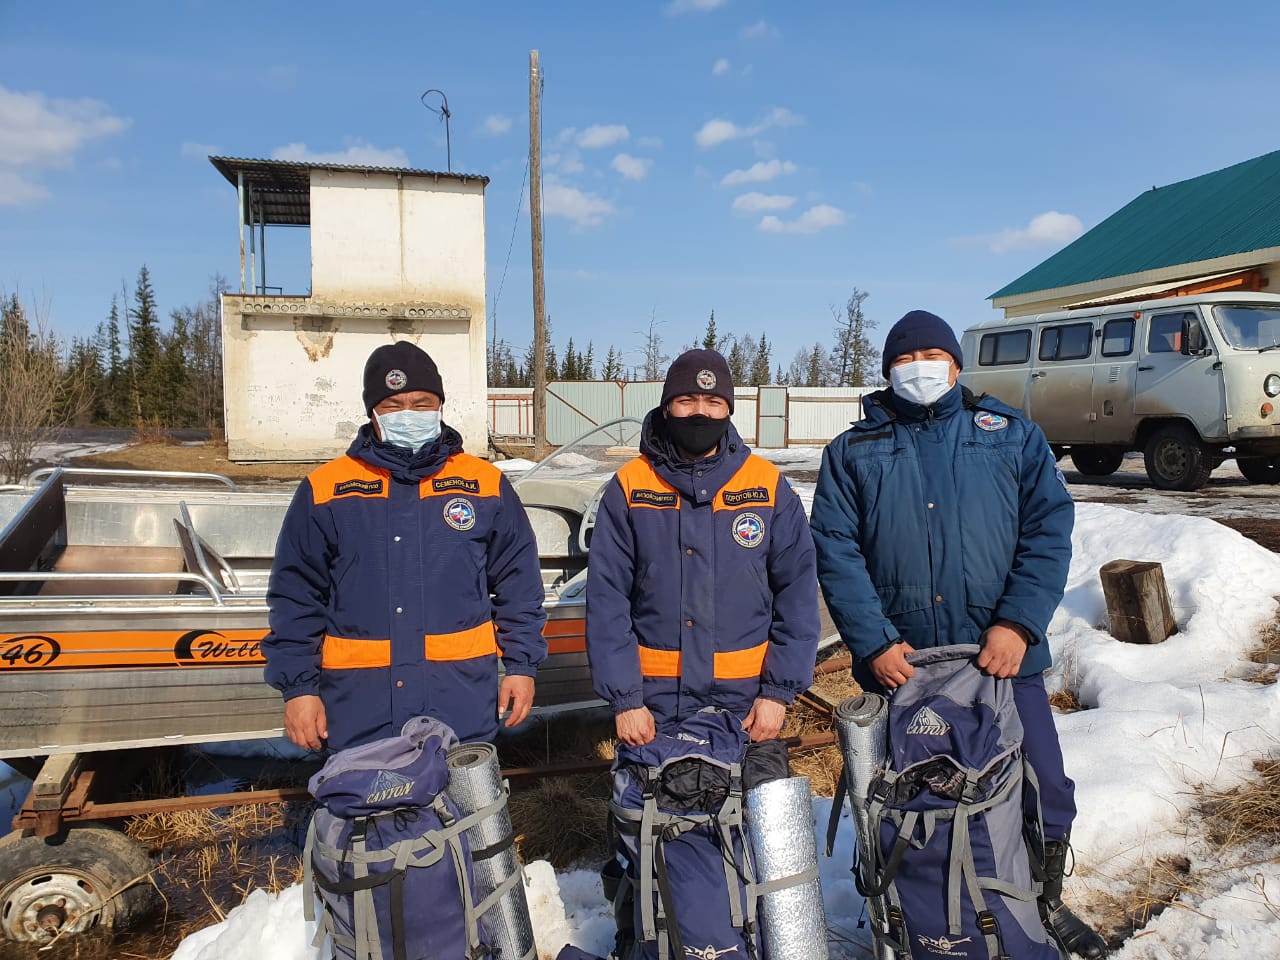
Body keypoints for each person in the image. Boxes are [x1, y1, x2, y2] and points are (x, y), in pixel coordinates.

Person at [809, 310, 1108, 959]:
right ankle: (919, 916)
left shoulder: (1006, 435)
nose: (921, 370)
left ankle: (1041, 904)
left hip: (1005, 658)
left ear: (956, 366)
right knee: (914, 802)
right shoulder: (852, 453)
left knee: (1042, 786)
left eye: (933, 358)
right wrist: (873, 642)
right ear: (887, 371)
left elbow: (1048, 528)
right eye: (906, 360)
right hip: (906, 668)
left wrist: (1019, 623)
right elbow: (834, 549)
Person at [264, 340, 547, 752]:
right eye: (394, 406)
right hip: (360, 706)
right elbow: (295, 598)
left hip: (459, 699)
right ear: (373, 413)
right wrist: (298, 689)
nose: (409, 414)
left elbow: (519, 583)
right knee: (368, 812)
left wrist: (522, 666)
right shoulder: (327, 490)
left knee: (464, 812)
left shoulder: (484, 484)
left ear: (440, 406)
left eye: (421, 402)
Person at [586, 347, 820, 746]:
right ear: (665, 409)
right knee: (651, 809)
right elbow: (607, 598)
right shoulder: (631, 486)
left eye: (713, 402)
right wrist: (625, 699)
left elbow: (796, 594)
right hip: (654, 701)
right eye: (686, 400)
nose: (700, 412)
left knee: (747, 807)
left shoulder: (765, 485)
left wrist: (777, 693)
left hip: (746, 700)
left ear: (728, 411)